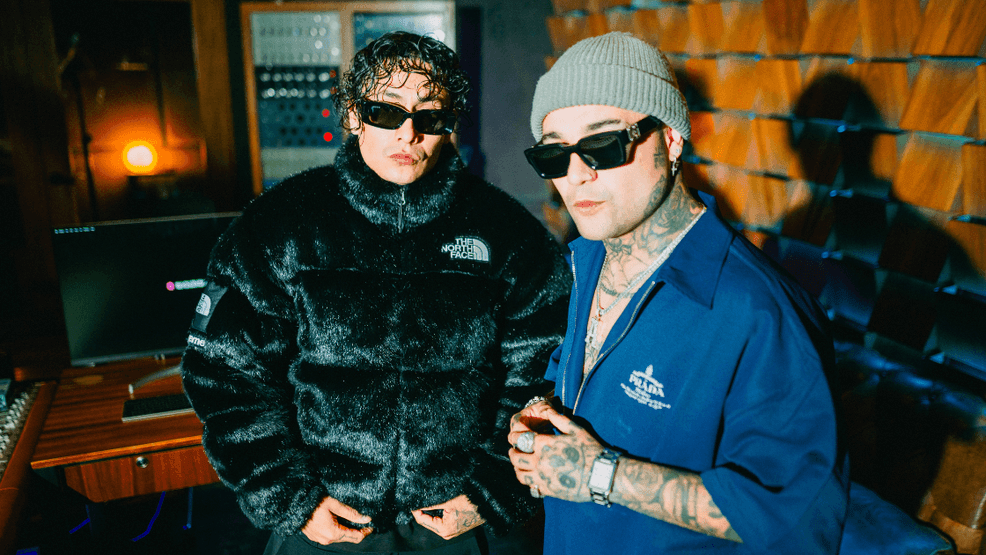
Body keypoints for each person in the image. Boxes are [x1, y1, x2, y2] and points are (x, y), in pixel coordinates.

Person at [181, 31, 571, 555]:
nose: (408, 133)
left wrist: (494, 488)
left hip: (465, 524)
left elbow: (547, 369)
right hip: (326, 522)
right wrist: (292, 498)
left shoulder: (507, 232)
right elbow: (223, 370)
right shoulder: (279, 225)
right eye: (386, 112)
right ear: (352, 115)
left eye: (430, 115)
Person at [507, 32, 849, 554]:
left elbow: (796, 519)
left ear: (670, 141)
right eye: (555, 155)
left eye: (603, 146)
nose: (576, 176)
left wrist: (602, 474)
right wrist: (542, 417)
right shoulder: (588, 259)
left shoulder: (758, 312)